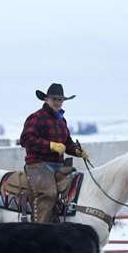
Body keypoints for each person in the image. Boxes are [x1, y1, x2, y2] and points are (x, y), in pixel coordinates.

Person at [19, 83, 89, 223]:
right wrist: (50, 146)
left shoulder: (62, 121)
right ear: (46, 99)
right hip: (37, 165)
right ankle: (40, 229)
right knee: (48, 193)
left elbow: (67, 143)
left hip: (58, 166)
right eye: (54, 99)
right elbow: (25, 139)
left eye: (60, 100)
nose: (57, 102)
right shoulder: (36, 117)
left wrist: (77, 151)